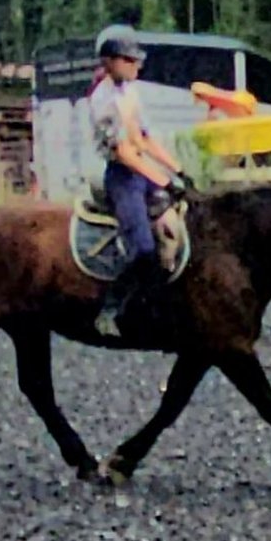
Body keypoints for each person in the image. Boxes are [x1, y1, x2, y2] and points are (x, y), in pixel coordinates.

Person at [88, 25, 191, 336]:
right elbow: (125, 153)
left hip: (143, 171)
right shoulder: (103, 100)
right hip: (123, 177)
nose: (136, 66)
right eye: (129, 61)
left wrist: (178, 169)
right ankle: (111, 307)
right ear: (110, 62)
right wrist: (162, 179)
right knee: (144, 247)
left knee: (181, 225)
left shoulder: (130, 92)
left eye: (136, 61)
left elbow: (143, 139)